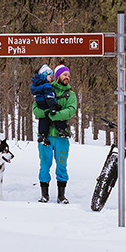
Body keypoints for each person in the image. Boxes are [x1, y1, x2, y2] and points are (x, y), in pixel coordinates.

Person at [33, 64, 77, 204]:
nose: (67, 77)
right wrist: (47, 112)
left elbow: (70, 111)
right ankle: (44, 195)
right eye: (65, 75)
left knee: (62, 165)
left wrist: (53, 115)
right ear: (58, 76)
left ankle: (61, 196)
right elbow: (36, 110)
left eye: (69, 75)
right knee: (45, 164)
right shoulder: (46, 88)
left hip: (61, 136)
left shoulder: (71, 94)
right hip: (45, 135)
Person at [31, 64, 67, 146]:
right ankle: (61, 129)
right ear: (45, 75)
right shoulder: (46, 84)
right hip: (47, 103)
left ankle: (42, 135)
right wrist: (52, 106)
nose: (51, 79)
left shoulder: (37, 83)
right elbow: (49, 96)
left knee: (43, 118)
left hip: (40, 103)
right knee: (55, 115)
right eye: (50, 77)